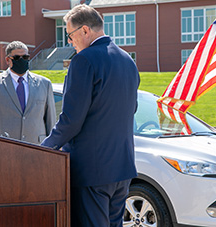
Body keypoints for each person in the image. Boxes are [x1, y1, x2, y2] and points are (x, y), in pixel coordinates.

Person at [41, 4, 140, 227]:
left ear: (85, 30)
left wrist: (45, 147)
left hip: (91, 171)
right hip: (122, 168)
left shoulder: (83, 61)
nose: (69, 41)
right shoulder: (128, 60)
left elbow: (71, 120)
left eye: (70, 35)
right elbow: (130, 109)